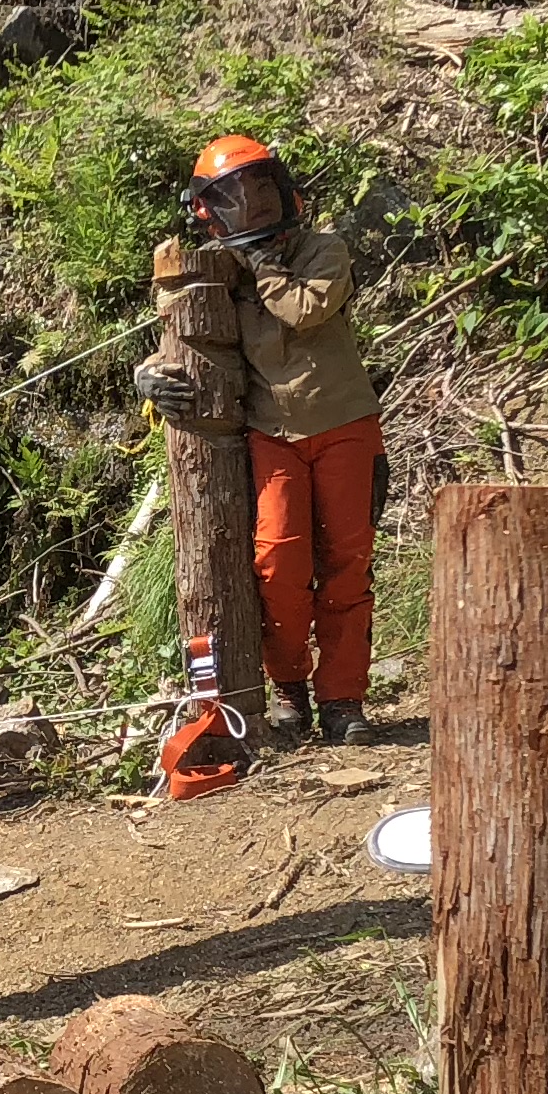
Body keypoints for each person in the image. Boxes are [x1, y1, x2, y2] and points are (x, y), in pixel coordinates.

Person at [133, 132, 382, 746]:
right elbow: (184, 336)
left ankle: (344, 699)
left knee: (348, 566)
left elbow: (305, 310)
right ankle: (291, 688)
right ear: (211, 211)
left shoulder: (323, 250)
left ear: (283, 187)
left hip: (345, 423)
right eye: (237, 195)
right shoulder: (213, 269)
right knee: (277, 564)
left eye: (262, 186)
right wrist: (149, 375)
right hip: (272, 433)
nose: (255, 202)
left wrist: (264, 264)